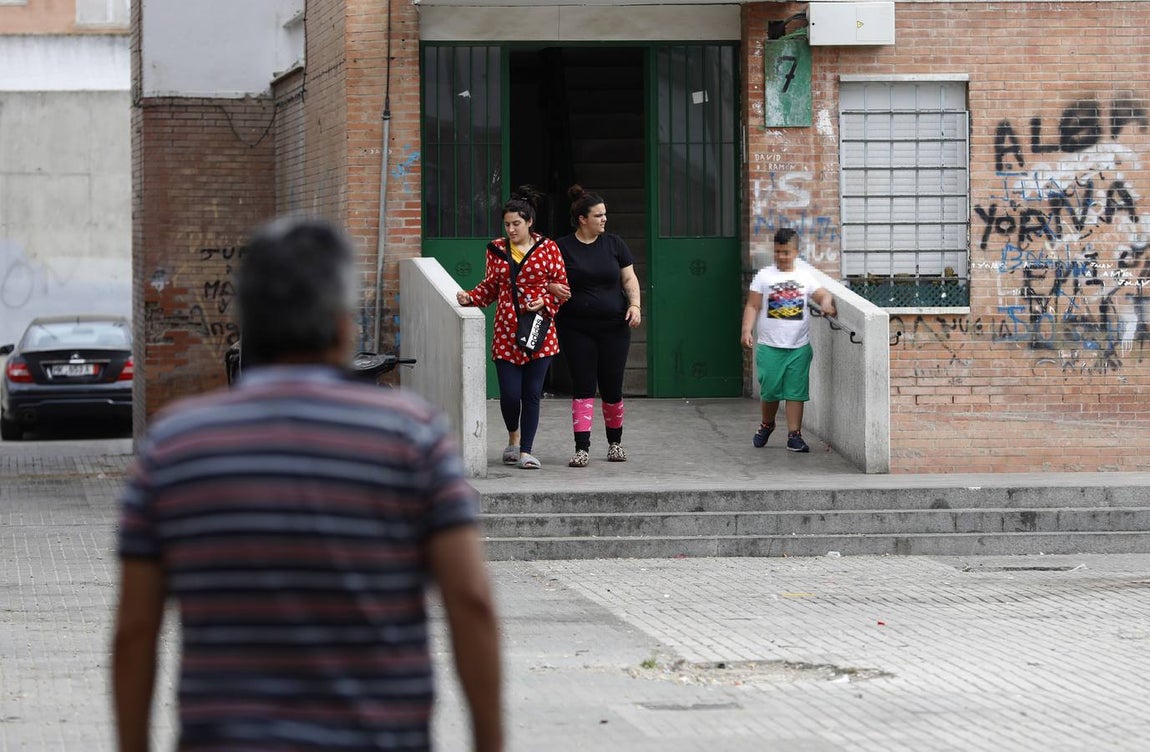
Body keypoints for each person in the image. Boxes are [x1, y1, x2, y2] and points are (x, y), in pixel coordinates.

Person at [112, 218, 503, 752]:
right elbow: (471, 602)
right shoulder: (413, 438)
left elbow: (136, 630)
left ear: (247, 325)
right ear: (344, 327)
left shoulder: (175, 447)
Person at [456, 186, 568, 470]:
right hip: (506, 330)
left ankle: (526, 451)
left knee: (532, 393)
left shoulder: (549, 248)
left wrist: (543, 300)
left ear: (529, 221)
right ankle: (513, 436)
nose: (511, 229)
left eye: (516, 223)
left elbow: (563, 290)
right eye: (507, 224)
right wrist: (472, 297)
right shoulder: (496, 249)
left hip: (539, 330)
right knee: (509, 394)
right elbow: (491, 286)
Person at [547, 185, 641, 468]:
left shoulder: (614, 244)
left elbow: (629, 279)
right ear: (582, 219)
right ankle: (582, 448)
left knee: (612, 386)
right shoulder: (561, 247)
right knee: (583, 385)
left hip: (614, 326)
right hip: (576, 327)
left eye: (605, 214)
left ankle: (615, 443)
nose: (604, 219)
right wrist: (552, 286)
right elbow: (544, 279)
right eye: (598, 215)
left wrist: (635, 305)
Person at [740, 227, 836, 453]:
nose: (781, 257)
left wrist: (826, 304)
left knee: (795, 392)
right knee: (770, 390)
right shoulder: (764, 276)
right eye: (778, 252)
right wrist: (746, 331)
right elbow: (753, 305)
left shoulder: (803, 276)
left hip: (798, 346)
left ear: (796, 252)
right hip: (769, 346)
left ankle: (794, 435)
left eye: (786, 252)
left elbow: (822, 294)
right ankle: (767, 423)